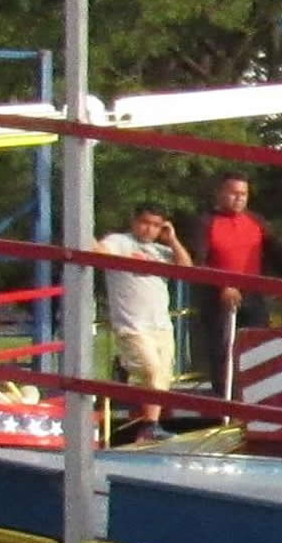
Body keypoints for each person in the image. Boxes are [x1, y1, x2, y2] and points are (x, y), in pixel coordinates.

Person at [96, 203, 191, 442]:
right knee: (150, 370)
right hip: (132, 325)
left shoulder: (161, 250)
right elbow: (98, 251)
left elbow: (187, 269)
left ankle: (150, 426)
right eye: (145, 223)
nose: (149, 229)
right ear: (134, 221)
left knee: (161, 378)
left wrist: (173, 240)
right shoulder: (120, 242)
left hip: (160, 325)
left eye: (156, 225)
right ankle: (124, 369)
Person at [196, 173, 269, 399]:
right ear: (220, 193)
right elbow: (197, 261)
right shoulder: (206, 222)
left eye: (243, 194)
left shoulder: (257, 221)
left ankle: (257, 399)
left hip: (253, 294)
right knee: (223, 352)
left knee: (257, 347)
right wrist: (222, 286)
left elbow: (276, 256)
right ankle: (225, 403)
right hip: (218, 297)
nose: (239, 198)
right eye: (233, 193)